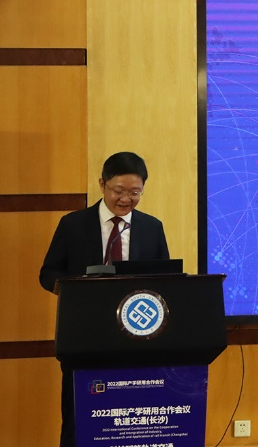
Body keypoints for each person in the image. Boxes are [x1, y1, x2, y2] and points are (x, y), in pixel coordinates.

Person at [39, 151, 170, 447]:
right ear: (102, 184)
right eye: (119, 191)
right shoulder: (73, 224)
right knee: (80, 419)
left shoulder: (152, 228)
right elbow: (48, 272)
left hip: (137, 340)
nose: (126, 199)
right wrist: (73, 290)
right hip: (84, 337)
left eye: (135, 192)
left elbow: (164, 279)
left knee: (130, 420)